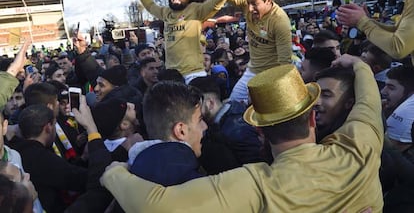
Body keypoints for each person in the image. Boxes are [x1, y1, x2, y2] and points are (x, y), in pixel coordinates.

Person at [101, 55, 383, 212]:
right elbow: (369, 104)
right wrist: (360, 66)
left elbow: (158, 207)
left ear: (258, 129)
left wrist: (113, 173)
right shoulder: (359, 146)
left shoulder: (255, 184)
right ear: (312, 116)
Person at [193, 0, 292, 104]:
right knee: (233, 106)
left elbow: (285, 65)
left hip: (272, 75)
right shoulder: (248, 3)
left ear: (269, 0)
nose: (250, 8)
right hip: (252, 71)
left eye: (255, 4)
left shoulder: (280, 22)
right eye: (248, 3)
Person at [133, 0, 252, 83]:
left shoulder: (196, 9)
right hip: (172, 77)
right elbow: (149, 5)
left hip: (194, 75)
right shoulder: (165, 13)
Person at [189, 76, 271, 174]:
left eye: (195, 105)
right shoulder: (222, 123)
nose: (191, 110)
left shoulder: (237, 131)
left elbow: (257, 170)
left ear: (210, 103)